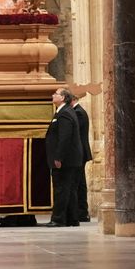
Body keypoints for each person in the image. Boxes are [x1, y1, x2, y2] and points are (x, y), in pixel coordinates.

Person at [44, 87, 82, 227]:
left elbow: (64, 138)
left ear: (63, 98)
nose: (53, 95)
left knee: (61, 189)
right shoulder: (64, 112)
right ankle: (72, 218)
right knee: (68, 189)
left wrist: (58, 157)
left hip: (65, 159)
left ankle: (58, 219)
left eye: (56, 94)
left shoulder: (65, 113)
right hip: (69, 159)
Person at [72, 92, 94, 222]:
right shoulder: (77, 111)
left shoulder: (79, 112)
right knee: (79, 181)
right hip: (79, 152)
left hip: (80, 153)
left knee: (80, 182)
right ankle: (80, 211)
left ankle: (82, 212)